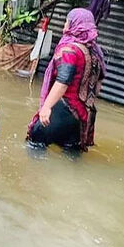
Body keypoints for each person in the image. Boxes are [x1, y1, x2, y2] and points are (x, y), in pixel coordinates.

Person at [27, 8, 106, 151]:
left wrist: (46, 107)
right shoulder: (95, 52)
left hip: (63, 108)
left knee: (35, 140)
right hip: (82, 116)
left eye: (66, 22)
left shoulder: (69, 50)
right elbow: (97, 87)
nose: (64, 26)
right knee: (72, 155)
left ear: (72, 24)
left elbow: (63, 81)